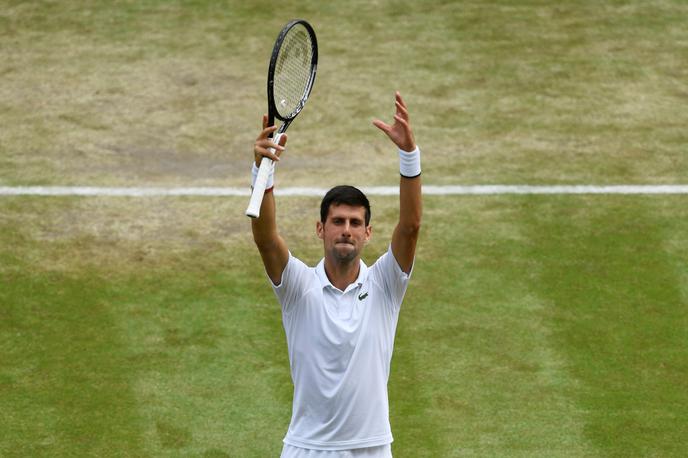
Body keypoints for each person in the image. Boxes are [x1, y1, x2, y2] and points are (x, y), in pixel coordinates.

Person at [250, 92, 422, 458]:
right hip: (307, 449)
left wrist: (409, 157)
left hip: (371, 449)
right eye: (338, 221)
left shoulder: (385, 285)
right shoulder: (298, 286)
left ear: (367, 233)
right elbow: (266, 239)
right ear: (320, 229)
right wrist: (261, 170)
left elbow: (410, 227)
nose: (346, 229)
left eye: (355, 223)